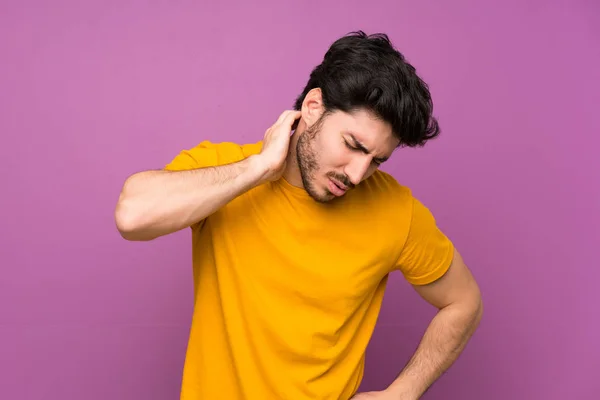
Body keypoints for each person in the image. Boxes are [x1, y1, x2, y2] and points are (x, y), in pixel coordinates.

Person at [114, 31, 483, 400]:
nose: (357, 174)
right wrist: (257, 169)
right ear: (313, 107)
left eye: (376, 160)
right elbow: (132, 215)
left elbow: (464, 302)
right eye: (353, 145)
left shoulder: (397, 211)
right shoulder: (226, 170)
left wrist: (403, 392)